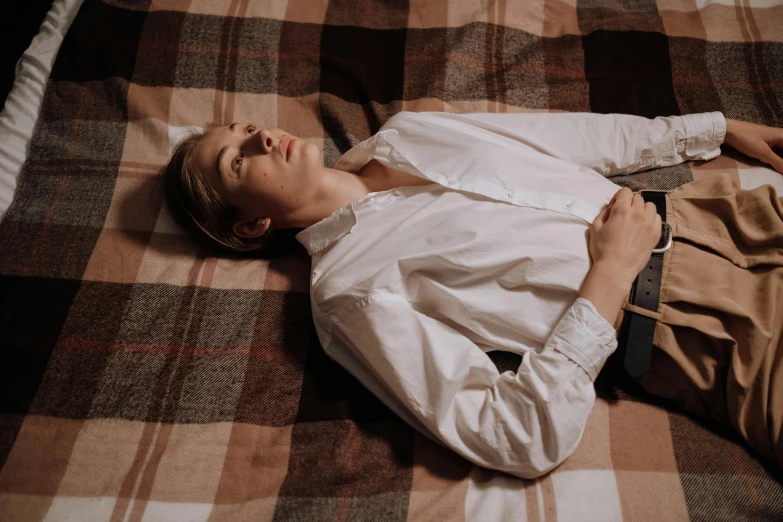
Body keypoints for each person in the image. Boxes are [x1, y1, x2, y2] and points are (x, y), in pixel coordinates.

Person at [162, 110, 783, 478]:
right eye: (237, 163)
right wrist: (612, 274)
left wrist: (716, 128)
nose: (261, 139)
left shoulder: (407, 131)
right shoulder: (348, 295)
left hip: (727, 215)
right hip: (699, 330)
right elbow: (514, 434)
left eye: (246, 128)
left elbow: (567, 139)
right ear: (250, 227)